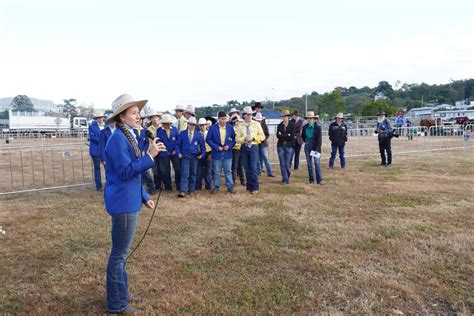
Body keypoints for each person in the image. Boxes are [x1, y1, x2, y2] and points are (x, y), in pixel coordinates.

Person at [103, 93, 166, 314]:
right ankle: (117, 305)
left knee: (121, 254)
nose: (138, 116)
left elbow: (131, 175)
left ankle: (120, 293)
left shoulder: (127, 135)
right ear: (121, 117)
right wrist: (150, 157)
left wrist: (144, 195)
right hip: (123, 204)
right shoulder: (118, 139)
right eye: (133, 113)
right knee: (119, 255)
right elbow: (125, 171)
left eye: (138, 113)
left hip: (129, 199)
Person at [236, 106, 265, 194]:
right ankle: (249, 187)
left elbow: (262, 136)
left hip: (254, 147)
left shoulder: (256, 124)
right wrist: (244, 139)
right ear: (244, 115)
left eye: (251, 115)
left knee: (253, 167)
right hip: (244, 147)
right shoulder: (240, 125)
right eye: (247, 115)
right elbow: (237, 138)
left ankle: (255, 187)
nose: (249, 116)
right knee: (246, 168)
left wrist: (253, 138)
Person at [206, 111, 236, 194]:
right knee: (216, 171)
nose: (224, 121)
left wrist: (229, 146)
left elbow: (234, 139)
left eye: (225, 119)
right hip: (217, 153)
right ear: (218, 119)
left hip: (227, 153)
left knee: (228, 171)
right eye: (222, 119)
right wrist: (216, 147)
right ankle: (216, 186)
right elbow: (208, 139)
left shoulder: (230, 127)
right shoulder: (212, 128)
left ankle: (230, 187)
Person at [176, 116, 205, 197]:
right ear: (188, 124)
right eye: (190, 124)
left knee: (193, 173)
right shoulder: (182, 133)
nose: (191, 126)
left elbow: (202, 146)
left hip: (194, 157)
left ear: (195, 126)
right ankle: (182, 191)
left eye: (193, 125)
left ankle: (191, 190)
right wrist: (178, 153)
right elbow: (177, 145)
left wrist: (202, 155)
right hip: (185, 156)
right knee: (185, 174)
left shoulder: (198, 134)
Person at [156, 114, 181, 192]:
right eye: (165, 123)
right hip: (164, 153)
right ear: (163, 123)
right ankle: (168, 188)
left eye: (168, 123)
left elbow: (178, 141)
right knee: (165, 171)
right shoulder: (159, 130)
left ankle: (179, 187)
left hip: (174, 153)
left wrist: (175, 150)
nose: (166, 124)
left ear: (170, 123)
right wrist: (164, 150)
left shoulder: (175, 129)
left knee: (177, 169)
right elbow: (159, 142)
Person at [302, 111, 323, 185]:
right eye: (308, 118)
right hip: (307, 146)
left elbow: (319, 140)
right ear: (307, 119)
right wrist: (307, 142)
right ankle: (311, 180)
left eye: (311, 118)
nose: (310, 119)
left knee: (317, 163)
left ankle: (319, 180)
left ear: (313, 119)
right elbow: (303, 136)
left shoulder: (318, 127)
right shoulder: (304, 127)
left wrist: (317, 149)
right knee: (309, 164)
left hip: (315, 147)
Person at [276, 110, 295, 184]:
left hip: (289, 146)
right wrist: (287, 135)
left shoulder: (292, 125)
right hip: (280, 146)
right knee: (282, 163)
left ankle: (286, 176)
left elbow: (292, 136)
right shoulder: (279, 125)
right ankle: (285, 179)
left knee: (287, 164)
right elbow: (278, 136)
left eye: (286, 116)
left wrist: (283, 135)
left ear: (288, 117)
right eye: (283, 116)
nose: (284, 118)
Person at [89, 111, 106, 191]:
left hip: (105, 151)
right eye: (98, 118)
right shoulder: (92, 127)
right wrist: (103, 140)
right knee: (97, 168)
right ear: (96, 119)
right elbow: (92, 138)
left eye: (101, 117)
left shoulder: (106, 126)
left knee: (108, 168)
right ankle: (99, 186)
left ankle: (109, 184)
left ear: (103, 118)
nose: (100, 119)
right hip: (96, 151)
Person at [146, 112, 163, 191]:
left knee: (163, 169)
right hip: (153, 151)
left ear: (159, 118)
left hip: (162, 150)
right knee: (155, 169)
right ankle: (158, 186)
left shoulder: (162, 127)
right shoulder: (148, 130)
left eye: (155, 117)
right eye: (152, 118)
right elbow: (149, 142)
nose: (154, 119)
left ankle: (166, 184)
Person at [254, 112, 274, 177]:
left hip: (263, 144)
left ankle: (269, 172)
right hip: (257, 144)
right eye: (258, 120)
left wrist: (263, 139)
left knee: (265, 158)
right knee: (258, 159)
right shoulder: (254, 126)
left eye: (259, 120)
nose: (259, 121)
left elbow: (267, 134)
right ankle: (259, 172)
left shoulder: (264, 125)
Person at [196, 118, 212, 191]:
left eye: (203, 125)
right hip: (199, 154)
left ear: (206, 125)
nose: (202, 127)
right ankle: (198, 187)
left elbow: (213, 145)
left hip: (208, 153)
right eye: (201, 125)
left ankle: (208, 187)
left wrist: (211, 154)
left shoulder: (210, 134)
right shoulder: (197, 134)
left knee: (208, 172)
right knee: (199, 171)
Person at [230, 116, 246, 186]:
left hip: (241, 148)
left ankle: (242, 180)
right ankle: (233, 181)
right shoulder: (232, 129)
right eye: (236, 121)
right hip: (235, 149)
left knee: (241, 165)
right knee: (234, 166)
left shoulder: (241, 129)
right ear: (234, 122)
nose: (238, 122)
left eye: (238, 121)